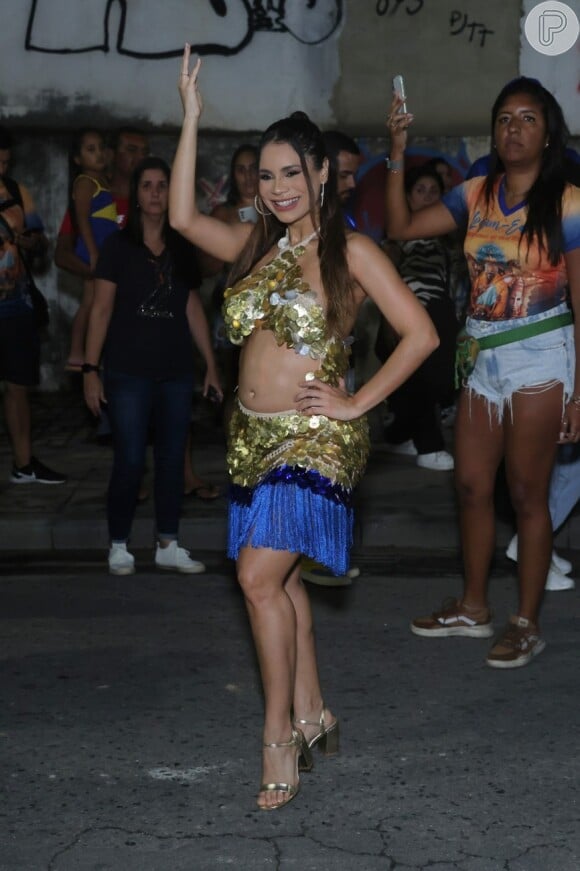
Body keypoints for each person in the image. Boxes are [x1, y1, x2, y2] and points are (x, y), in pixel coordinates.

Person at [169, 47, 438, 811]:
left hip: (315, 438)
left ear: (321, 174)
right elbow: (186, 218)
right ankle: (316, 708)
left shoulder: (349, 251)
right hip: (250, 438)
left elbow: (419, 335)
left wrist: (357, 405)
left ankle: (279, 733)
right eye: (266, 176)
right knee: (281, 578)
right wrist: (192, 116)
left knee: (256, 576)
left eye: (293, 173)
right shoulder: (256, 245)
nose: (279, 188)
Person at [385, 76, 580, 668]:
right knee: (470, 485)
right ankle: (473, 607)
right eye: (504, 118)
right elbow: (400, 228)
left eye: (527, 118)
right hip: (481, 357)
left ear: (548, 134)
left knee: (526, 494)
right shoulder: (474, 194)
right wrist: (397, 152)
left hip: (541, 357)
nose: (513, 128)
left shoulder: (568, 203)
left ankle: (526, 622)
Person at [83, 155, 222, 576]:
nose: (156, 193)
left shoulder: (182, 248)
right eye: (148, 186)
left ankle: (168, 542)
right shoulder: (118, 247)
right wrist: (91, 370)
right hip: (127, 372)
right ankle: (120, 543)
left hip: (176, 371)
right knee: (128, 459)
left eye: (163, 185)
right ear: (137, 195)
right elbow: (101, 309)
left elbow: (193, 307)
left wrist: (211, 366)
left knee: (170, 459)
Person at [0, 125, 66, 485]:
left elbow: (41, 241)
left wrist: (29, 241)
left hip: (15, 302)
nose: (1, 169)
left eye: (6, 162)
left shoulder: (16, 191)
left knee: (18, 386)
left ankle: (23, 463)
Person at [380, 165, 457, 471]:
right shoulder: (395, 240)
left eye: (433, 192)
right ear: (407, 197)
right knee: (421, 379)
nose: (426, 197)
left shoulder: (450, 237)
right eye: (419, 191)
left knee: (432, 382)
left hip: (442, 312)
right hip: (406, 316)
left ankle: (398, 434)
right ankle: (429, 446)